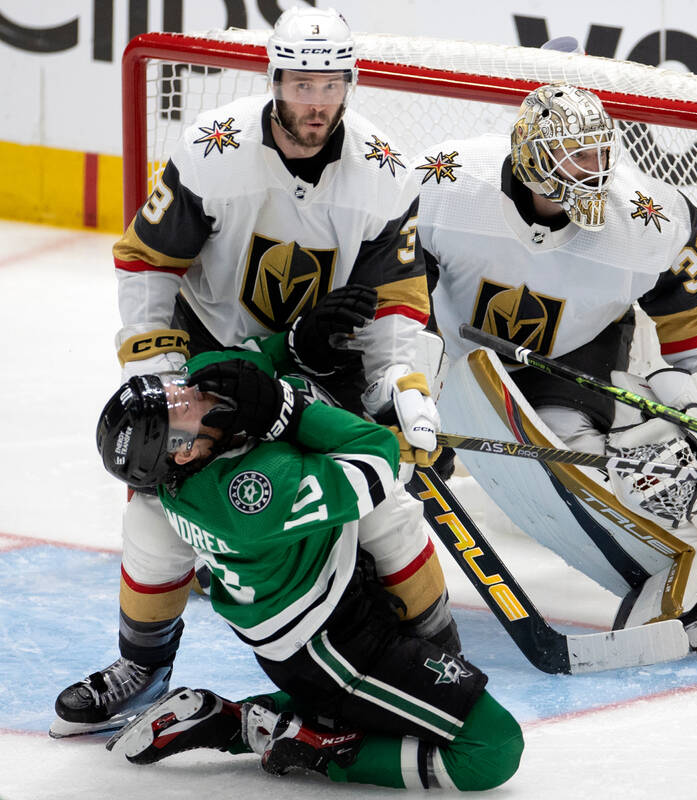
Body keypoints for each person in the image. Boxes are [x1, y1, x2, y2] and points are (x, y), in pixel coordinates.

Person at [52, 6, 450, 738]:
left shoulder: (386, 172)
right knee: (153, 511)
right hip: (211, 364)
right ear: (275, 81)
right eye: (302, 82)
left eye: (330, 83)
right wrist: (167, 380)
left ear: (349, 83)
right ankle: (143, 668)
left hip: (317, 370)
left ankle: (437, 659)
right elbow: (148, 263)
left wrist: (405, 388)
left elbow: (398, 305)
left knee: (390, 508)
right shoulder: (213, 148)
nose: (316, 101)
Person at [94, 339, 522, 791]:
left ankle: (240, 721)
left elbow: (246, 358)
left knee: (417, 713)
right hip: (335, 651)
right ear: (184, 452)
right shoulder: (248, 497)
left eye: (171, 387)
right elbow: (376, 459)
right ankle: (313, 749)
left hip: (325, 623)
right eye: (176, 406)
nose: (186, 390)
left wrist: (302, 339)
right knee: (494, 747)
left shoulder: (200, 431)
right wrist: (287, 411)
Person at [416, 82, 697, 647]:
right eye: (577, 155)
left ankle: (672, 565)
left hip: (576, 353)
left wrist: (696, 407)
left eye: (601, 153)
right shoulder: (449, 184)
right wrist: (408, 386)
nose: (596, 170)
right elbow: (398, 289)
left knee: (573, 466)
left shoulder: (647, 220)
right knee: (374, 443)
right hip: (453, 346)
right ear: (532, 157)